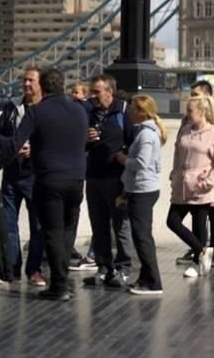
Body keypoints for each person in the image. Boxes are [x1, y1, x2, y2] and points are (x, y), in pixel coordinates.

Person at [0, 69, 88, 301]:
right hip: (77, 180)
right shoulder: (80, 110)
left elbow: (14, 145)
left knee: (50, 232)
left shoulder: (37, 111)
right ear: (63, 84)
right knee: (65, 231)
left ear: (43, 86)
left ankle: (59, 286)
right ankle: (60, 279)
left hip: (49, 179)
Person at [0, 66, 46, 286]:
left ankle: (34, 270)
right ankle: (10, 270)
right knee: (9, 224)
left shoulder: (46, 109)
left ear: (41, 84)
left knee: (37, 225)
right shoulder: (12, 107)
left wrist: (35, 149)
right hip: (12, 172)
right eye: (24, 80)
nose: (26, 84)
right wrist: (12, 146)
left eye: (31, 80)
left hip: (35, 174)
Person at [83, 74, 135, 289]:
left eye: (97, 91)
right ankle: (104, 267)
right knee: (98, 225)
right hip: (93, 177)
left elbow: (134, 144)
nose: (92, 96)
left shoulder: (124, 112)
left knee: (121, 225)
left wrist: (125, 160)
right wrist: (85, 140)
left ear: (109, 92)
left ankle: (124, 267)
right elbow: (78, 144)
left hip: (116, 179)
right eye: (91, 91)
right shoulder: (88, 112)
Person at [167, 95, 214, 278]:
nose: (188, 114)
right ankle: (201, 250)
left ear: (202, 112)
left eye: (190, 111)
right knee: (172, 221)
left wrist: (208, 182)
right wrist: (174, 174)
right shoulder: (184, 130)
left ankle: (196, 262)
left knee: (199, 224)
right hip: (182, 185)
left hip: (201, 187)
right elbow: (177, 154)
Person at [116, 95, 165, 296]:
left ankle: (153, 281)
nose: (129, 112)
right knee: (142, 235)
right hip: (143, 188)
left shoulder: (146, 135)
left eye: (133, 109)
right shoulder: (148, 132)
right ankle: (145, 277)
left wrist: (124, 159)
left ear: (141, 112)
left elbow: (142, 163)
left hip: (142, 190)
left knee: (142, 237)